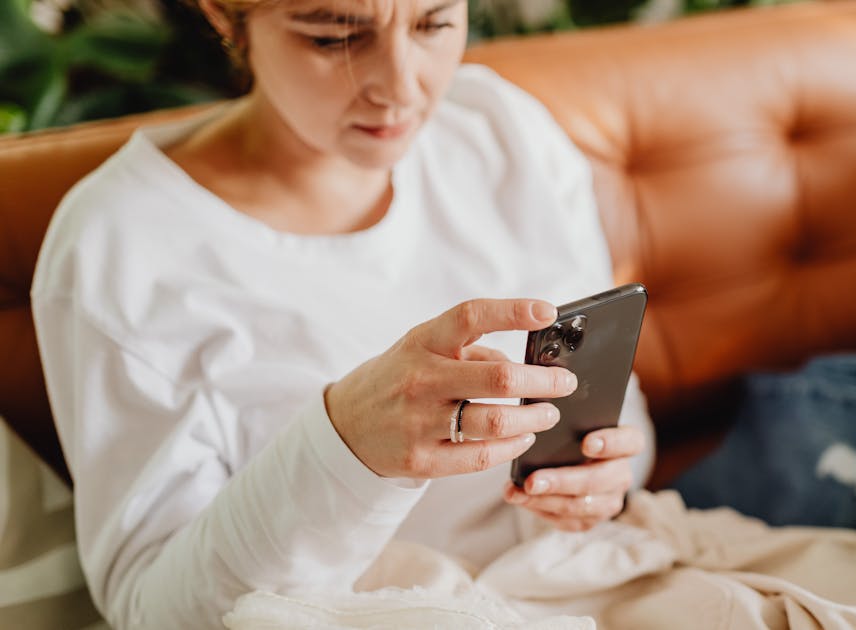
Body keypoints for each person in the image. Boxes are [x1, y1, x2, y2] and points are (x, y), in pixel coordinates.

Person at [30, 0, 653, 627]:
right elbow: (152, 612)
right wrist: (345, 448)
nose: (401, 89)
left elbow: (623, 422)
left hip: (588, 582)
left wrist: (597, 486)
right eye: (335, 38)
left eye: (433, 24)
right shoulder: (121, 246)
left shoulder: (496, 129)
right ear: (223, 14)